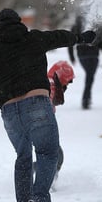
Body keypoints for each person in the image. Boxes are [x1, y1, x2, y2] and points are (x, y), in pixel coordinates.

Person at [0, 8, 86, 202]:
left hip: (10, 111)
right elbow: (59, 36)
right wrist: (79, 38)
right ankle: (39, 201)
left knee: (23, 158)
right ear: (19, 22)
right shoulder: (34, 39)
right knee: (48, 153)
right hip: (37, 102)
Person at [33, 61, 75, 190]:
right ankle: (47, 182)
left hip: (38, 125)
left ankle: (44, 179)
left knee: (50, 154)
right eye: (68, 81)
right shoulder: (51, 84)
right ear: (62, 76)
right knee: (55, 154)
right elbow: (41, 105)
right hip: (40, 125)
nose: (67, 85)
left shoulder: (48, 81)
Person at [68, 16, 102, 109]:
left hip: (83, 55)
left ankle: (86, 98)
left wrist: (72, 56)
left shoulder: (77, 25)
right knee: (90, 76)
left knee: (90, 75)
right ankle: (86, 99)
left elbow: (70, 42)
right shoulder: (96, 25)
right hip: (92, 55)